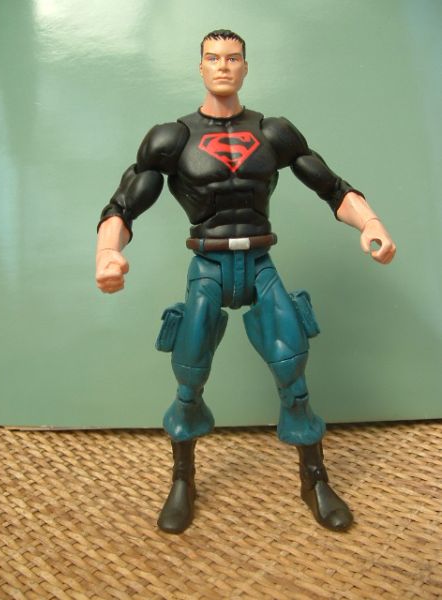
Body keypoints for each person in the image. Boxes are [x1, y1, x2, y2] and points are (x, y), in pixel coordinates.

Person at [96, 30, 396, 534]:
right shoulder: (172, 139)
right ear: (200, 66)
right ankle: (183, 479)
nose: (223, 66)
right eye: (213, 58)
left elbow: (331, 186)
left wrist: (370, 223)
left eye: (232, 58)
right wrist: (108, 252)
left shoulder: (273, 132)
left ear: (245, 66)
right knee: (189, 375)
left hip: (259, 262)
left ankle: (314, 479)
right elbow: (125, 203)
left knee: (293, 370)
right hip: (208, 266)